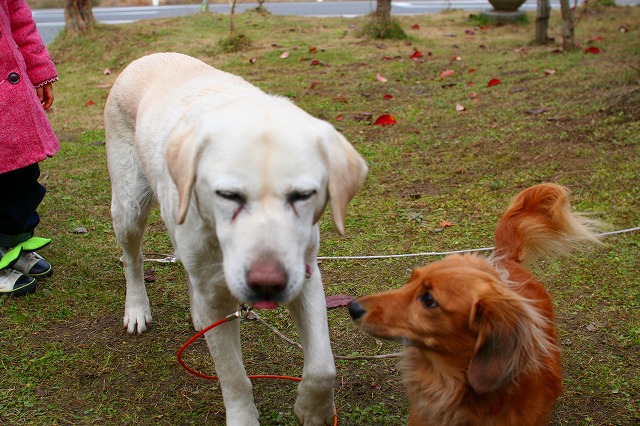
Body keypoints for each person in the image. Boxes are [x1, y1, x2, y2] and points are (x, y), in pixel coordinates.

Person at [0, 0, 60, 296]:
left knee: (22, 175)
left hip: (10, 98)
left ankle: (15, 242)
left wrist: (39, 71)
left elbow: (21, 22)